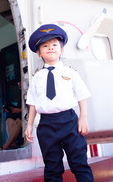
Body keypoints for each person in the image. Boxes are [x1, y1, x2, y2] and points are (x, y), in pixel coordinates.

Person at [25, 24, 94, 182]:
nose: (50, 48)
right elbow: (33, 103)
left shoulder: (70, 72)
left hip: (69, 121)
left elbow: (81, 95)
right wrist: (29, 125)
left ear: (61, 50)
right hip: (47, 125)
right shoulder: (37, 77)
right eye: (45, 45)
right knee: (52, 167)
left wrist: (83, 117)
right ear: (38, 53)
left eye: (55, 44)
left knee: (79, 163)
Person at [0, 82, 22, 150]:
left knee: (18, 121)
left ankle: (6, 145)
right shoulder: (19, 95)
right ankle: (13, 144)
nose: (19, 86)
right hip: (18, 113)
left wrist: (19, 110)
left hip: (25, 116)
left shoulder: (28, 92)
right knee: (9, 120)